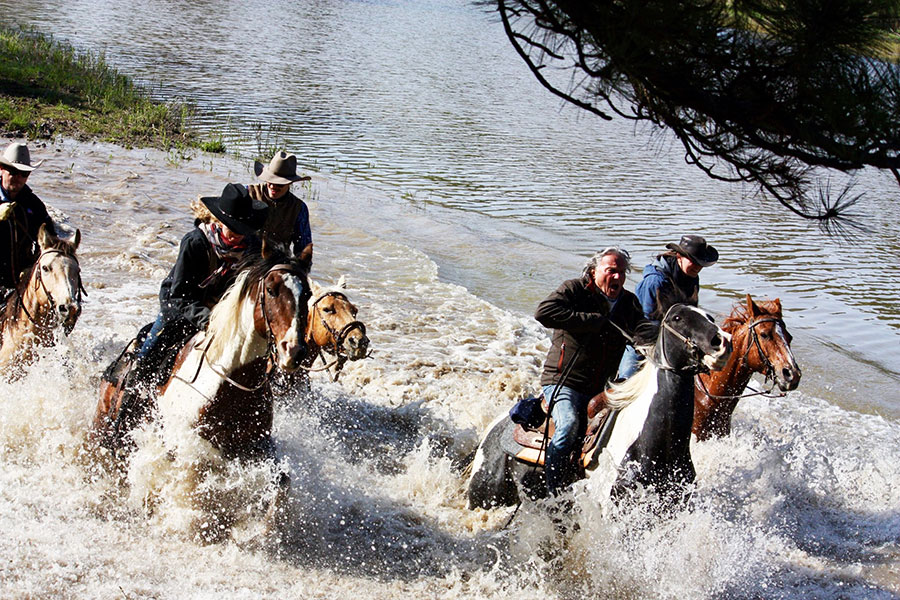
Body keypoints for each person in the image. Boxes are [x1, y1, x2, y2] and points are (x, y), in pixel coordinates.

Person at [535, 247, 652, 497]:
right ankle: (553, 493)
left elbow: (642, 331)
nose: (618, 278)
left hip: (603, 386)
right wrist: (590, 321)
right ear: (594, 271)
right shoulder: (574, 290)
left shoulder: (629, 302)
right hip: (563, 382)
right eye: (611, 271)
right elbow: (543, 313)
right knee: (569, 425)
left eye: (622, 272)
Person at [130, 182, 269, 386]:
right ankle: (128, 402)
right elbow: (179, 296)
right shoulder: (195, 242)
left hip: (224, 313)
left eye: (244, 229)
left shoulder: (253, 248)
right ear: (219, 221)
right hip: (181, 307)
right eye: (234, 228)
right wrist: (209, 320)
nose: (239, 234)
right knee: (148, 357)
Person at [617, 234, 719, 378]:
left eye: (700, 263)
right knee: (628, 377)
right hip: (643, 341)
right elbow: (646, 325)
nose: (698, 267)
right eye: (694, 261)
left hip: (674, 337)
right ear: (679, 257)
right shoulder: (655, 282)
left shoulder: (692, 277)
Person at [0, 142, 54, 301]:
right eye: (14, 172)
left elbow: (50, 240)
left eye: (24, 174)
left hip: (19, 277)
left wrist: (32, 267)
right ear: (2, 169)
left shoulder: (34, 205)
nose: (18, 178)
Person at [249, 151, 313, 263]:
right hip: (247, 257)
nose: (273, 186)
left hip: (278, 262)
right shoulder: (249, 194)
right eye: (270, 181)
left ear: (290, 183)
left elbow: (302, 248)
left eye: (279, 184)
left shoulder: (299, 208)